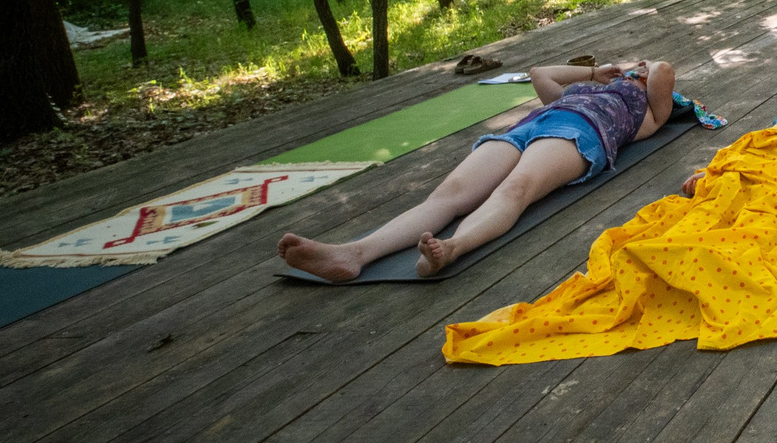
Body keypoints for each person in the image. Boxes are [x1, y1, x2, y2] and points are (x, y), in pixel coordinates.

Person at [442, 70, 777, 366]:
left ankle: (712, 261)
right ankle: (674, 257)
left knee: (765, 212)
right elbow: (753, 137)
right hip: (760, 148)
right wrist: (711, 168)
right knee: (712, 202)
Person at [279, 58, 677, 281]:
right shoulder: (583, 87)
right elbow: (540, 74)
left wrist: (638, 71)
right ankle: (353, 253)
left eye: (639, 69)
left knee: (516, 188)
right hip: (530, 125)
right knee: (450, 194)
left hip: (582, 131)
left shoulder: (642, 114)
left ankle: (453, 247)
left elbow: (663, 69)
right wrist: (593, 72)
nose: (637, 68)